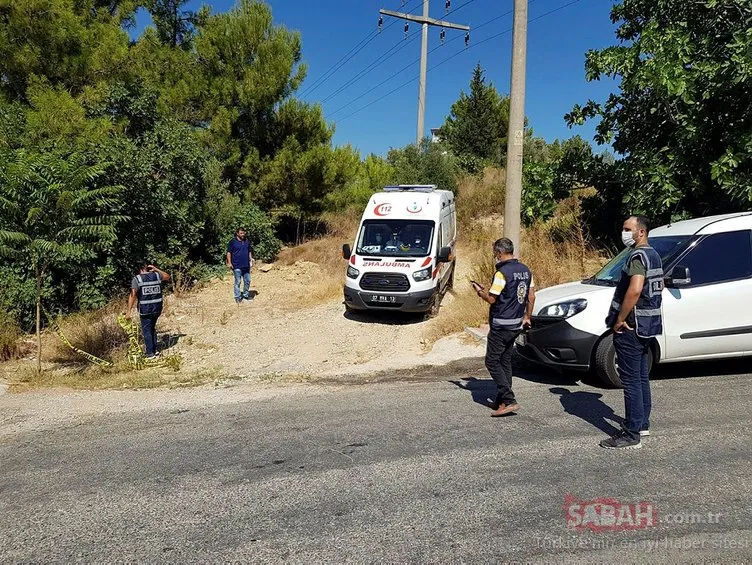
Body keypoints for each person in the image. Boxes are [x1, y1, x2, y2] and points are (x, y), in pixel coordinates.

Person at [600, 215, 664, 450]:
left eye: (628, 229)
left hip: (631, 326)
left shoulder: (637, 256)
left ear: (641, 232)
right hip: (648, 326)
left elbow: (635, 289)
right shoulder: (654, 255)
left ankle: (631, 433)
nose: (624, 233)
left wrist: (620, 319)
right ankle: (642, 424)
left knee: (631, 381)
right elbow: (659, 286)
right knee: (640, 377)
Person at [473, 237, 535, 416]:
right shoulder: (525, 270)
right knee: (505, 360)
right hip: (516, 323)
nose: (495, 257)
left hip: (501, 324)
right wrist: (527, 317)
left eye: (495, 254)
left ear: (500, 253)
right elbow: (531, 297)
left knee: (491, 361)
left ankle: (509, 399)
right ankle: (501, 400)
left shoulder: (502, 273)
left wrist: (480, 292)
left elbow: (492, 299)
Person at [127, 262, 170, 360]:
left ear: (139, 269)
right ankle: (155, 350)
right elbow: (167, 276)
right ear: (148, 268)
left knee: (146, 330)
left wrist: (129, 311)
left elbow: (133, 294)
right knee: (152, 328)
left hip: (145, 309)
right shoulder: (157, 275)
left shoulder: (137, 279)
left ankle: (150, 353)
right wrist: (156, 269)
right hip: (157, 308)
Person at [226, 227, 254, 304]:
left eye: (243, 233)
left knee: (247, 280)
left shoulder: (246, 241)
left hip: (246, 265)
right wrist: (229, 263)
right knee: (238, 282)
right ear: (237, 233)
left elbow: (249, 250)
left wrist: (251, 259)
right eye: (241, 233)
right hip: (236, 265)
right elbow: (229, 253)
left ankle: (245, 295)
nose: (243, 234)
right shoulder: (233, 242)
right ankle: (237, 297)